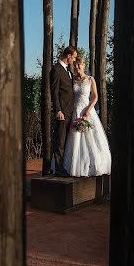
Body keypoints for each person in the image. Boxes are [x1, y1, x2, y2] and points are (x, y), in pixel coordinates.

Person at [63, 58, 111, 177]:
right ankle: (74, 166)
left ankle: (92, 165)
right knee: (75, 138)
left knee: (91, 138)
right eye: (75, 65)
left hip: (87, 111)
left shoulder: (90, 79)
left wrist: (88, 111)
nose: (77, 67)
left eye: (79, 65)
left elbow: (95, 97)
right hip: (75, 111)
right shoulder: (72, 80)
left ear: (84, 66)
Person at [48, 46, 77, 176]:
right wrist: (58, 110)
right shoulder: (56, 70)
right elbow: (54, 92)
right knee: (59, 141)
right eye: (74, 57)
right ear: (68, 56)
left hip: (70, 111)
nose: (74, 59)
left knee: (65, 141)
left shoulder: (68, 71)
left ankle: (64, 166)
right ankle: (59, 170)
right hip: (62, 112)